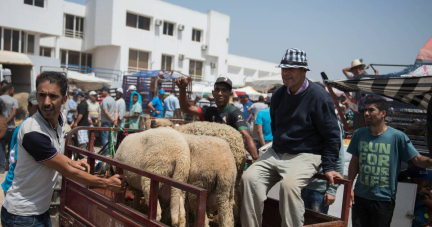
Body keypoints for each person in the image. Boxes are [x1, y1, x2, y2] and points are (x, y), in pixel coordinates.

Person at [1, 71, 125, 226]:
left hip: (39, 211)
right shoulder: (33, 132)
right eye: (41, 95)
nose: (46, 102)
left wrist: (73, 162)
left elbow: (56, 155)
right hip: (23, 216)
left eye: (53, 96)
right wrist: (106, 183)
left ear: (64, 99)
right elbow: (67, 172)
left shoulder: (59, 120)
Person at [241, 48, 342, 227]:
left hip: (306, 154)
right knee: (248, 179)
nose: (286, 73)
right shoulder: (279, 94)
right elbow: (276, 126)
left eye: (292, 69)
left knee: (289, 186)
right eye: (284, 68)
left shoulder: (319, 97)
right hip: (278, 151)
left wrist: (328, 166)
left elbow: (333, 136)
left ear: (304, 71)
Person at [347, 98, 432, 227]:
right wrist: (349, 187)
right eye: (365, 110)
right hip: (360, 197)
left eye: (371, 110)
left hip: (384, 199)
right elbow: (354, 162)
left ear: (383, 113)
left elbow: (418, 159)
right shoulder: (359, 134)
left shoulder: (397, 136)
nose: (366, 114)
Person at [175, 76, 259, 160]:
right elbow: (187, 108)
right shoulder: (208, 111)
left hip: (227, 159)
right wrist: (182, 89)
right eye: (217, 90)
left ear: (230, 94)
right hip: (208, 157)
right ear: (213, 93)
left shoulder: (234, 113)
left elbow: (245, 135)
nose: (220, 93)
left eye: (224, 90)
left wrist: (256, 158)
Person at [301, 122, 345, 214]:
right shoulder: (303, 119)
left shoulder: (332, 123)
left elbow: (339, 158)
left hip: (320, 190)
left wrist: (332, 190)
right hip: (300, 186)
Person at [1, 90, 39, 193]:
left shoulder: (36, 126)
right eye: (37, 107)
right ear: (29, 108)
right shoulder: (26, 129)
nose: (40, 111)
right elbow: (20, 162)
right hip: (16, 187)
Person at [0, 84, 18, 170]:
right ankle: (9, 165)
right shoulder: (14, 100)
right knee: (11, 147)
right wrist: (6, 122)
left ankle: (2, 167)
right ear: (9, 90)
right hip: (10, 127)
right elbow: (14, 113)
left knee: (2, 147)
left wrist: (3, 123)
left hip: (1, 128)